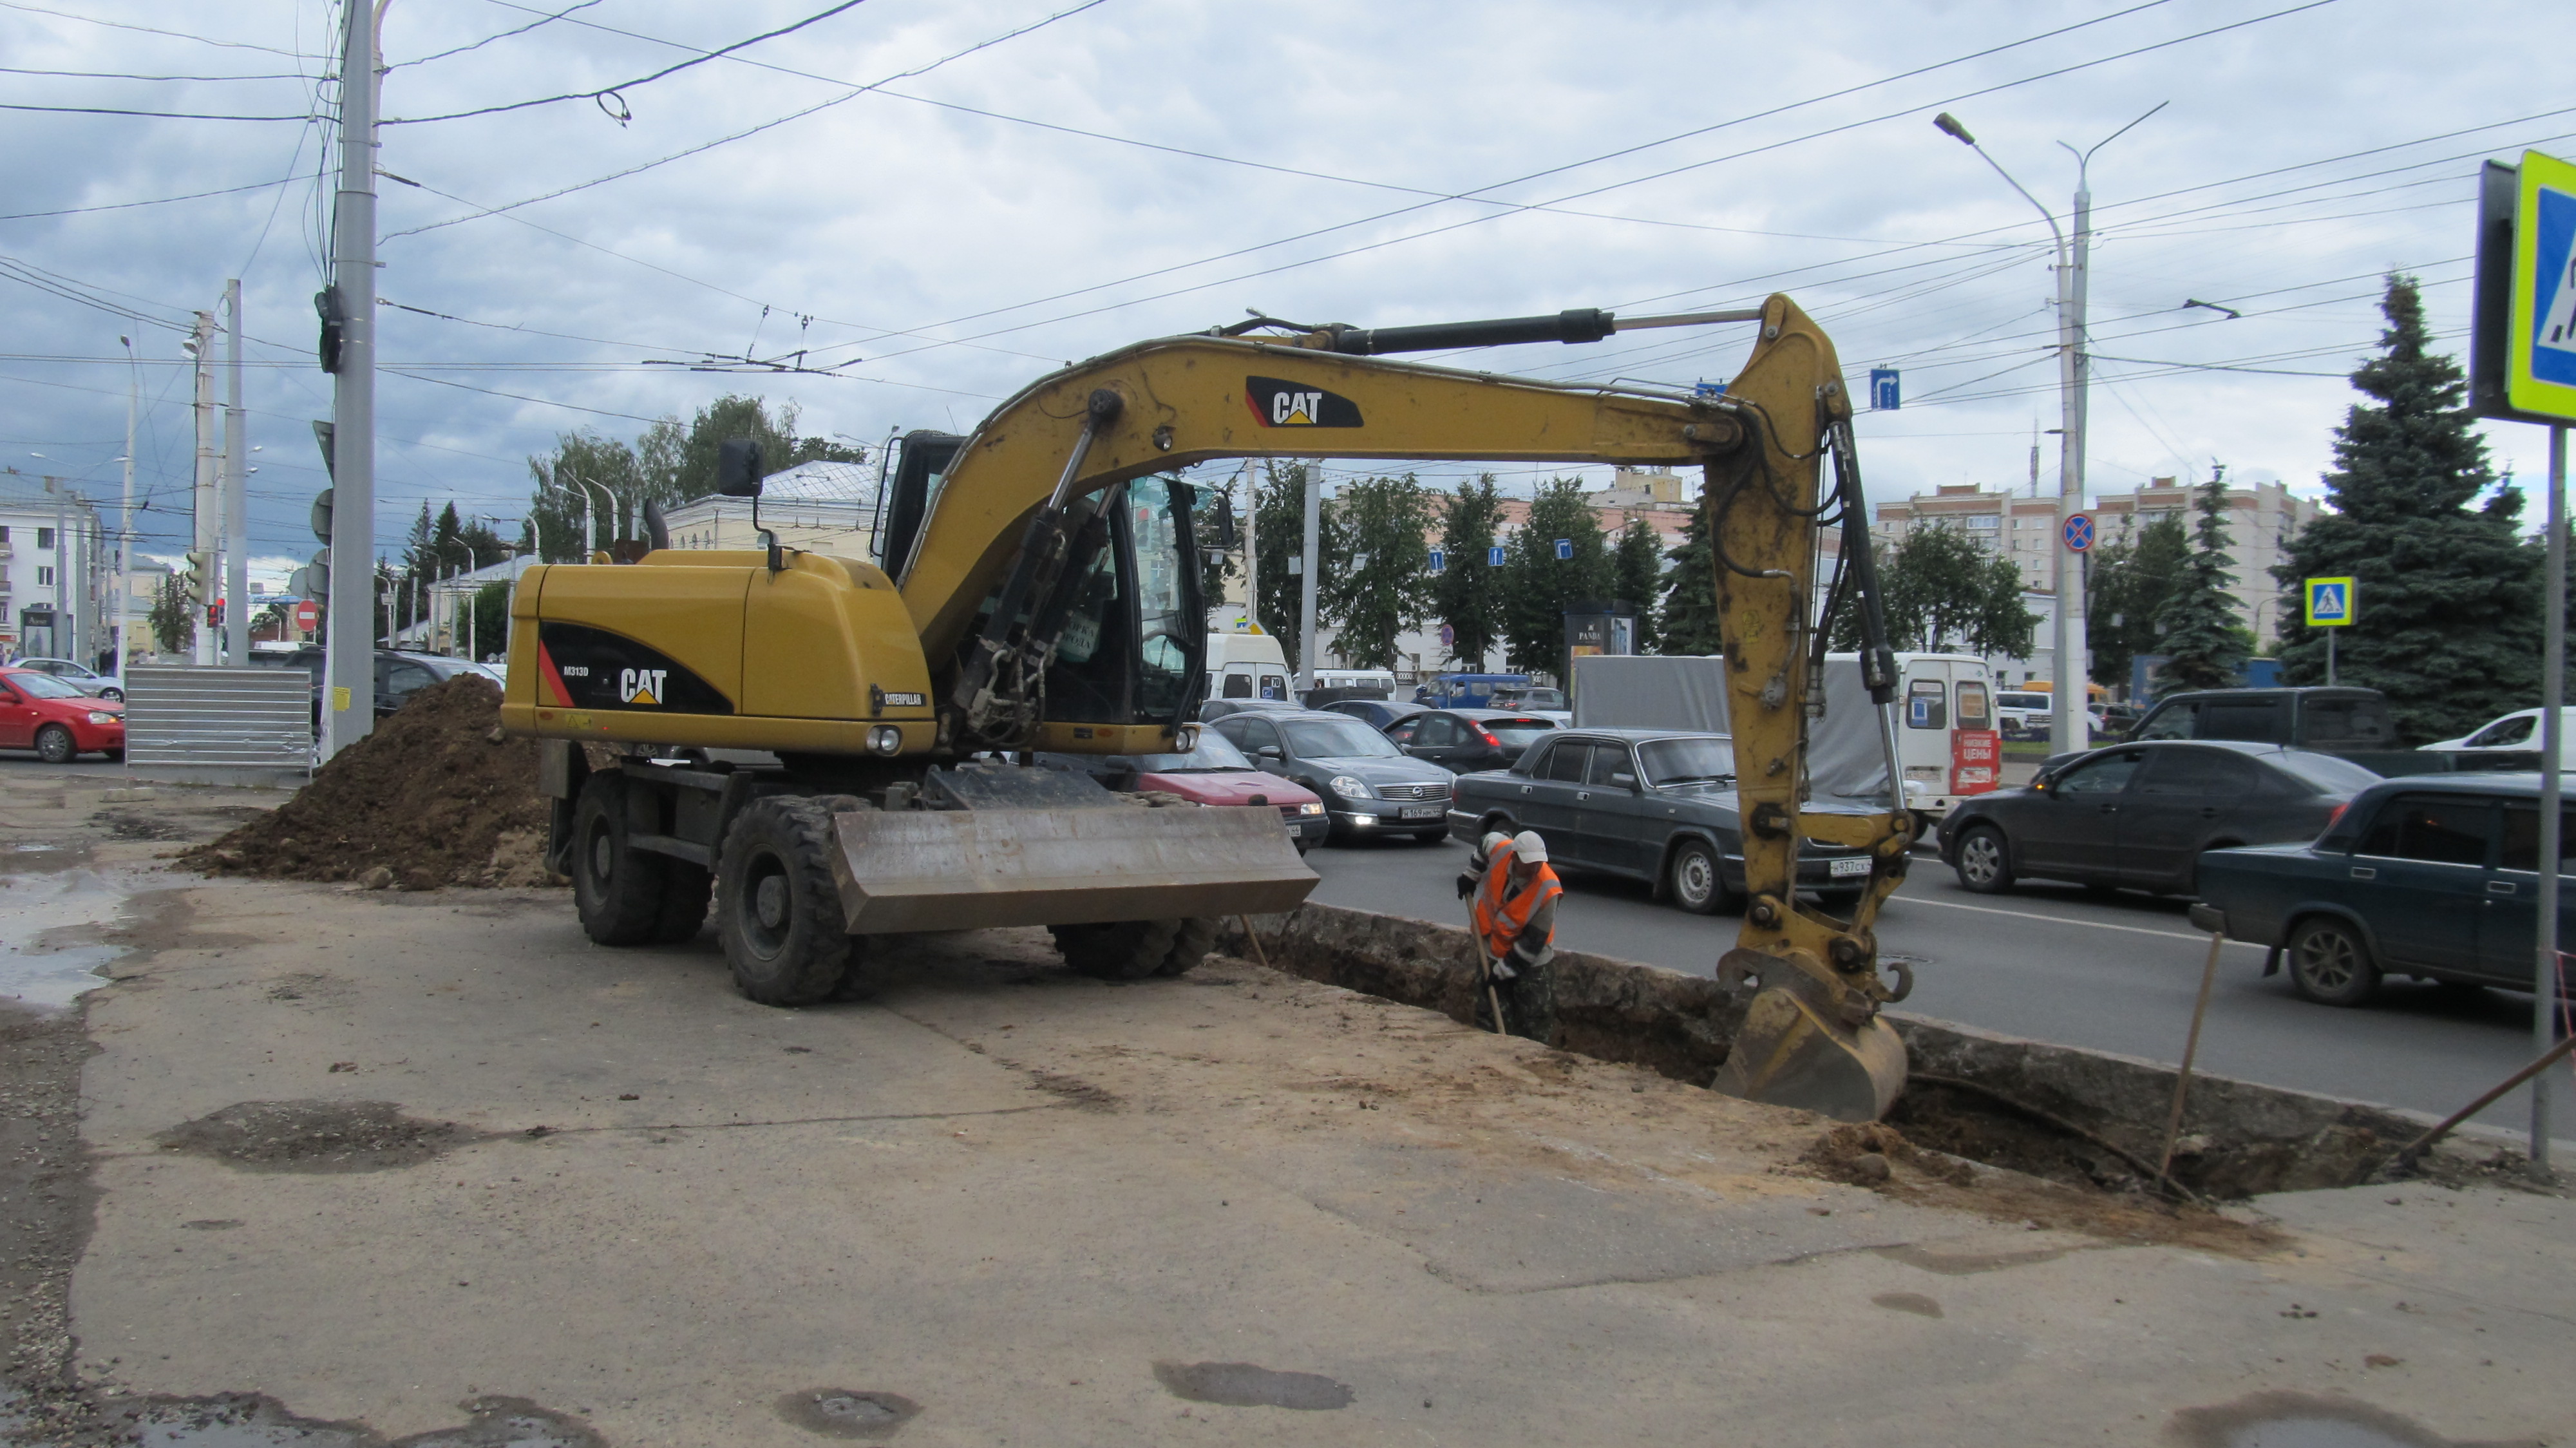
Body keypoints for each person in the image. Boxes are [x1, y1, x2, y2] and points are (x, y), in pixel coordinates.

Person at [1468, 830, 1560, 1041]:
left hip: (1532, 961)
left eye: (1538, 862)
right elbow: (1484, 843)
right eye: (1529, 862)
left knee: (1534, 1021)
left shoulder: (1549, 888)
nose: (1535, 867)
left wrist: (1502, 972)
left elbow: (1533, 941)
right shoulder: (1502, 850)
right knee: (1489, 1014)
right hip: (1493, 947)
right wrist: (1471, 875)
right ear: (1515, 857)